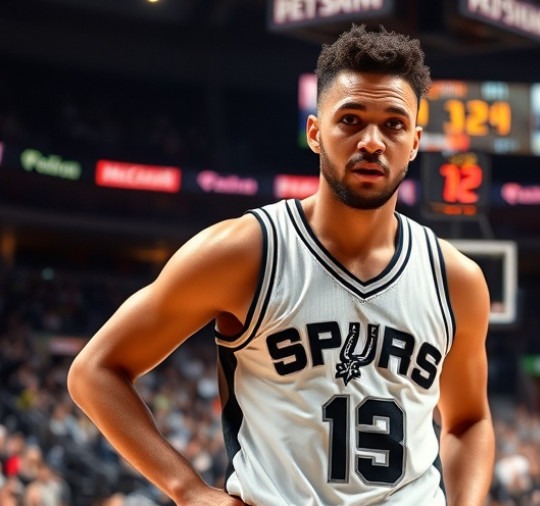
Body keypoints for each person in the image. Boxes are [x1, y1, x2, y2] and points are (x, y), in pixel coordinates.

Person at [67, 24, 495, 505]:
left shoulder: (456, 278)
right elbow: (95, 371)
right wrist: (187, 490)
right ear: (315, 132)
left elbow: (469, 421)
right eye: (350, 119)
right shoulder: (244, 252)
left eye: (393, 124)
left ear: (415, 142)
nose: (373, 141)